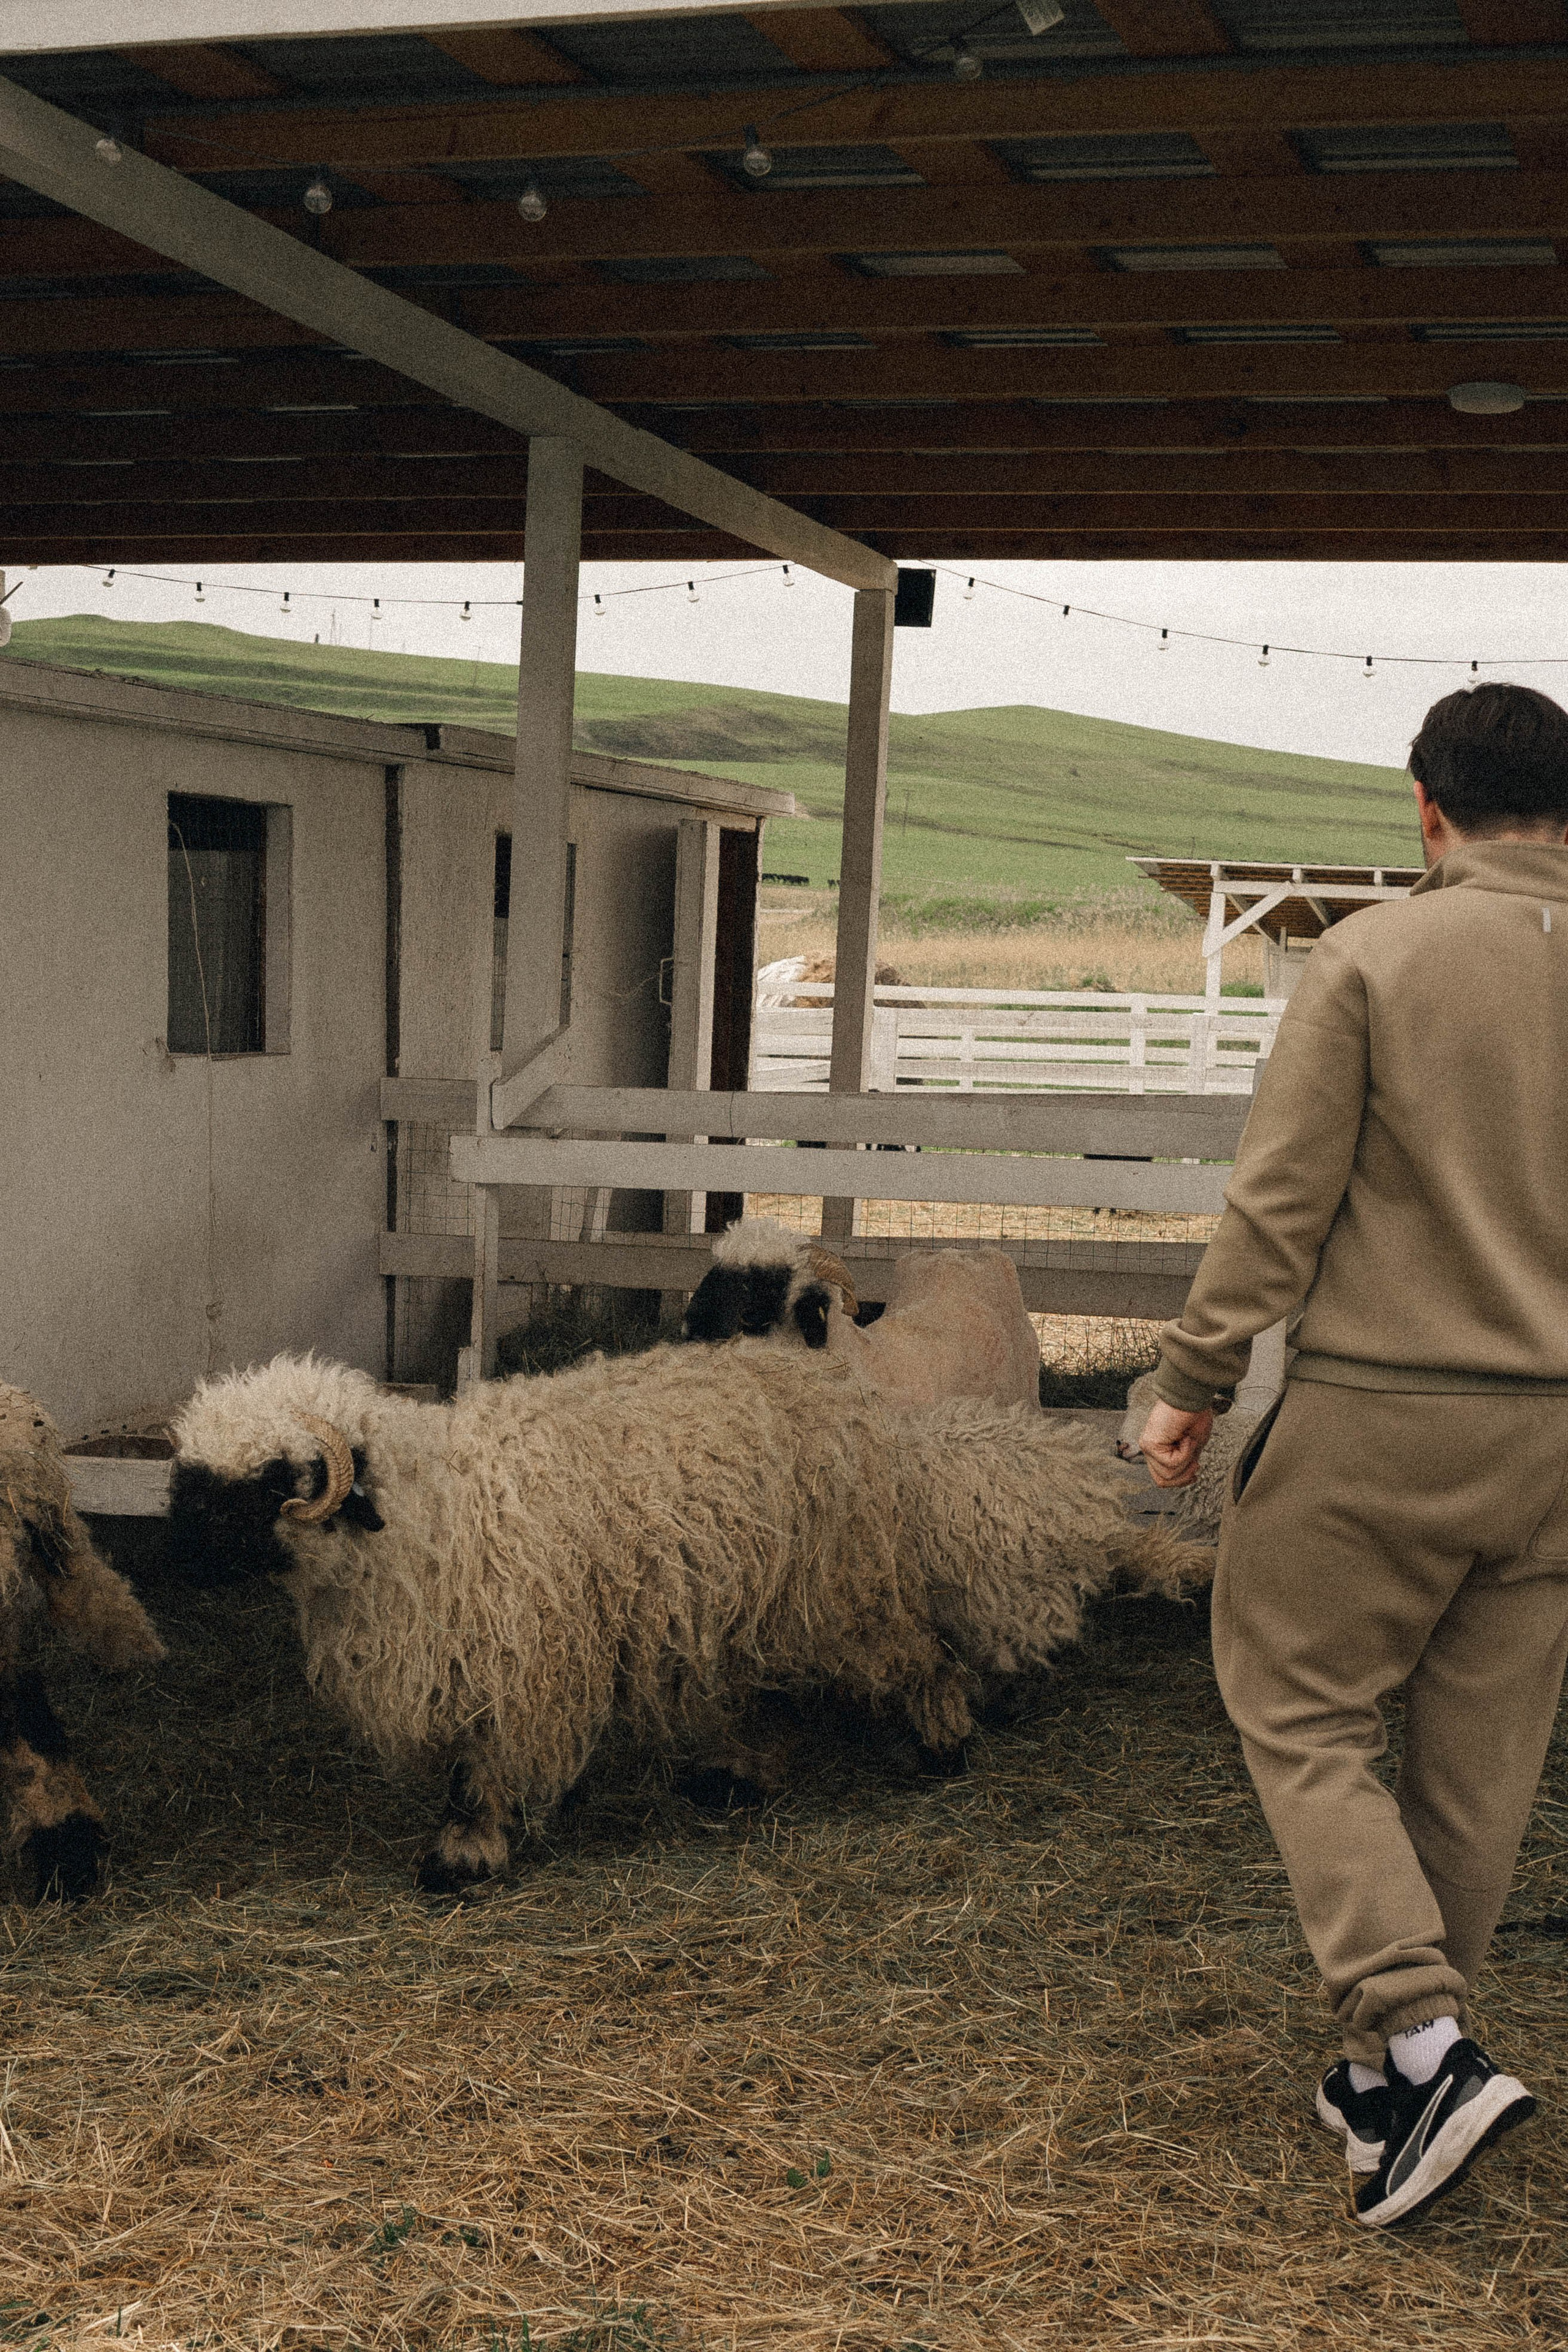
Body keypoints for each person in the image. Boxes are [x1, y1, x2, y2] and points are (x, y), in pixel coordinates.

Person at [1138, 680, 1568, 2228]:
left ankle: (1422, 2035)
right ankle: (1400, 2081)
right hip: (1560, 1441)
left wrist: (1190, 1378)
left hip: (1385, 1406)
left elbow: (1279, 1204)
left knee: (1295, 1698)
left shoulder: (1372, 957)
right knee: (1480, 1754)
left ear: (1424, 805)